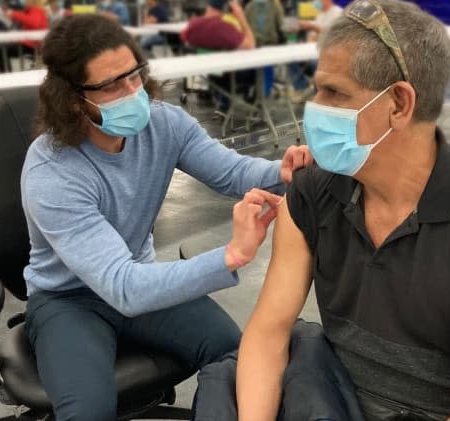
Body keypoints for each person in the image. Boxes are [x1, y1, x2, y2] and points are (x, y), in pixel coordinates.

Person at [193, 1, 450, 420]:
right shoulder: (313, 191)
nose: (314, 107)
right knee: (228, 384)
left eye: (334, 92)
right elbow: (269, 332)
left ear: (399, 103)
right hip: (330, 393)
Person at [22, 14, 312, 421]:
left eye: (135, 75)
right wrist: (231, 255)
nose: (133, 91)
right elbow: (124, 287)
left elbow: (230, 172)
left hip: (139, 282)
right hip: (68, 300)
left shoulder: (164, 124)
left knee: (237, 356)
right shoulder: (51, 172)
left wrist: (281, 173)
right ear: (73, 100)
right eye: (112, 85)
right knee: (86, 409)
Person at [0, 0, 49, 73]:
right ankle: (6, 74)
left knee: (1, 50)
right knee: (2, 49)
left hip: (33, 45)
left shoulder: (36, 10)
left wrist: (14, 14)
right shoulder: (34, 10)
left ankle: (5, 75)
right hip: (31, 44)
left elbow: (34, 23)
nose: (25, 2)